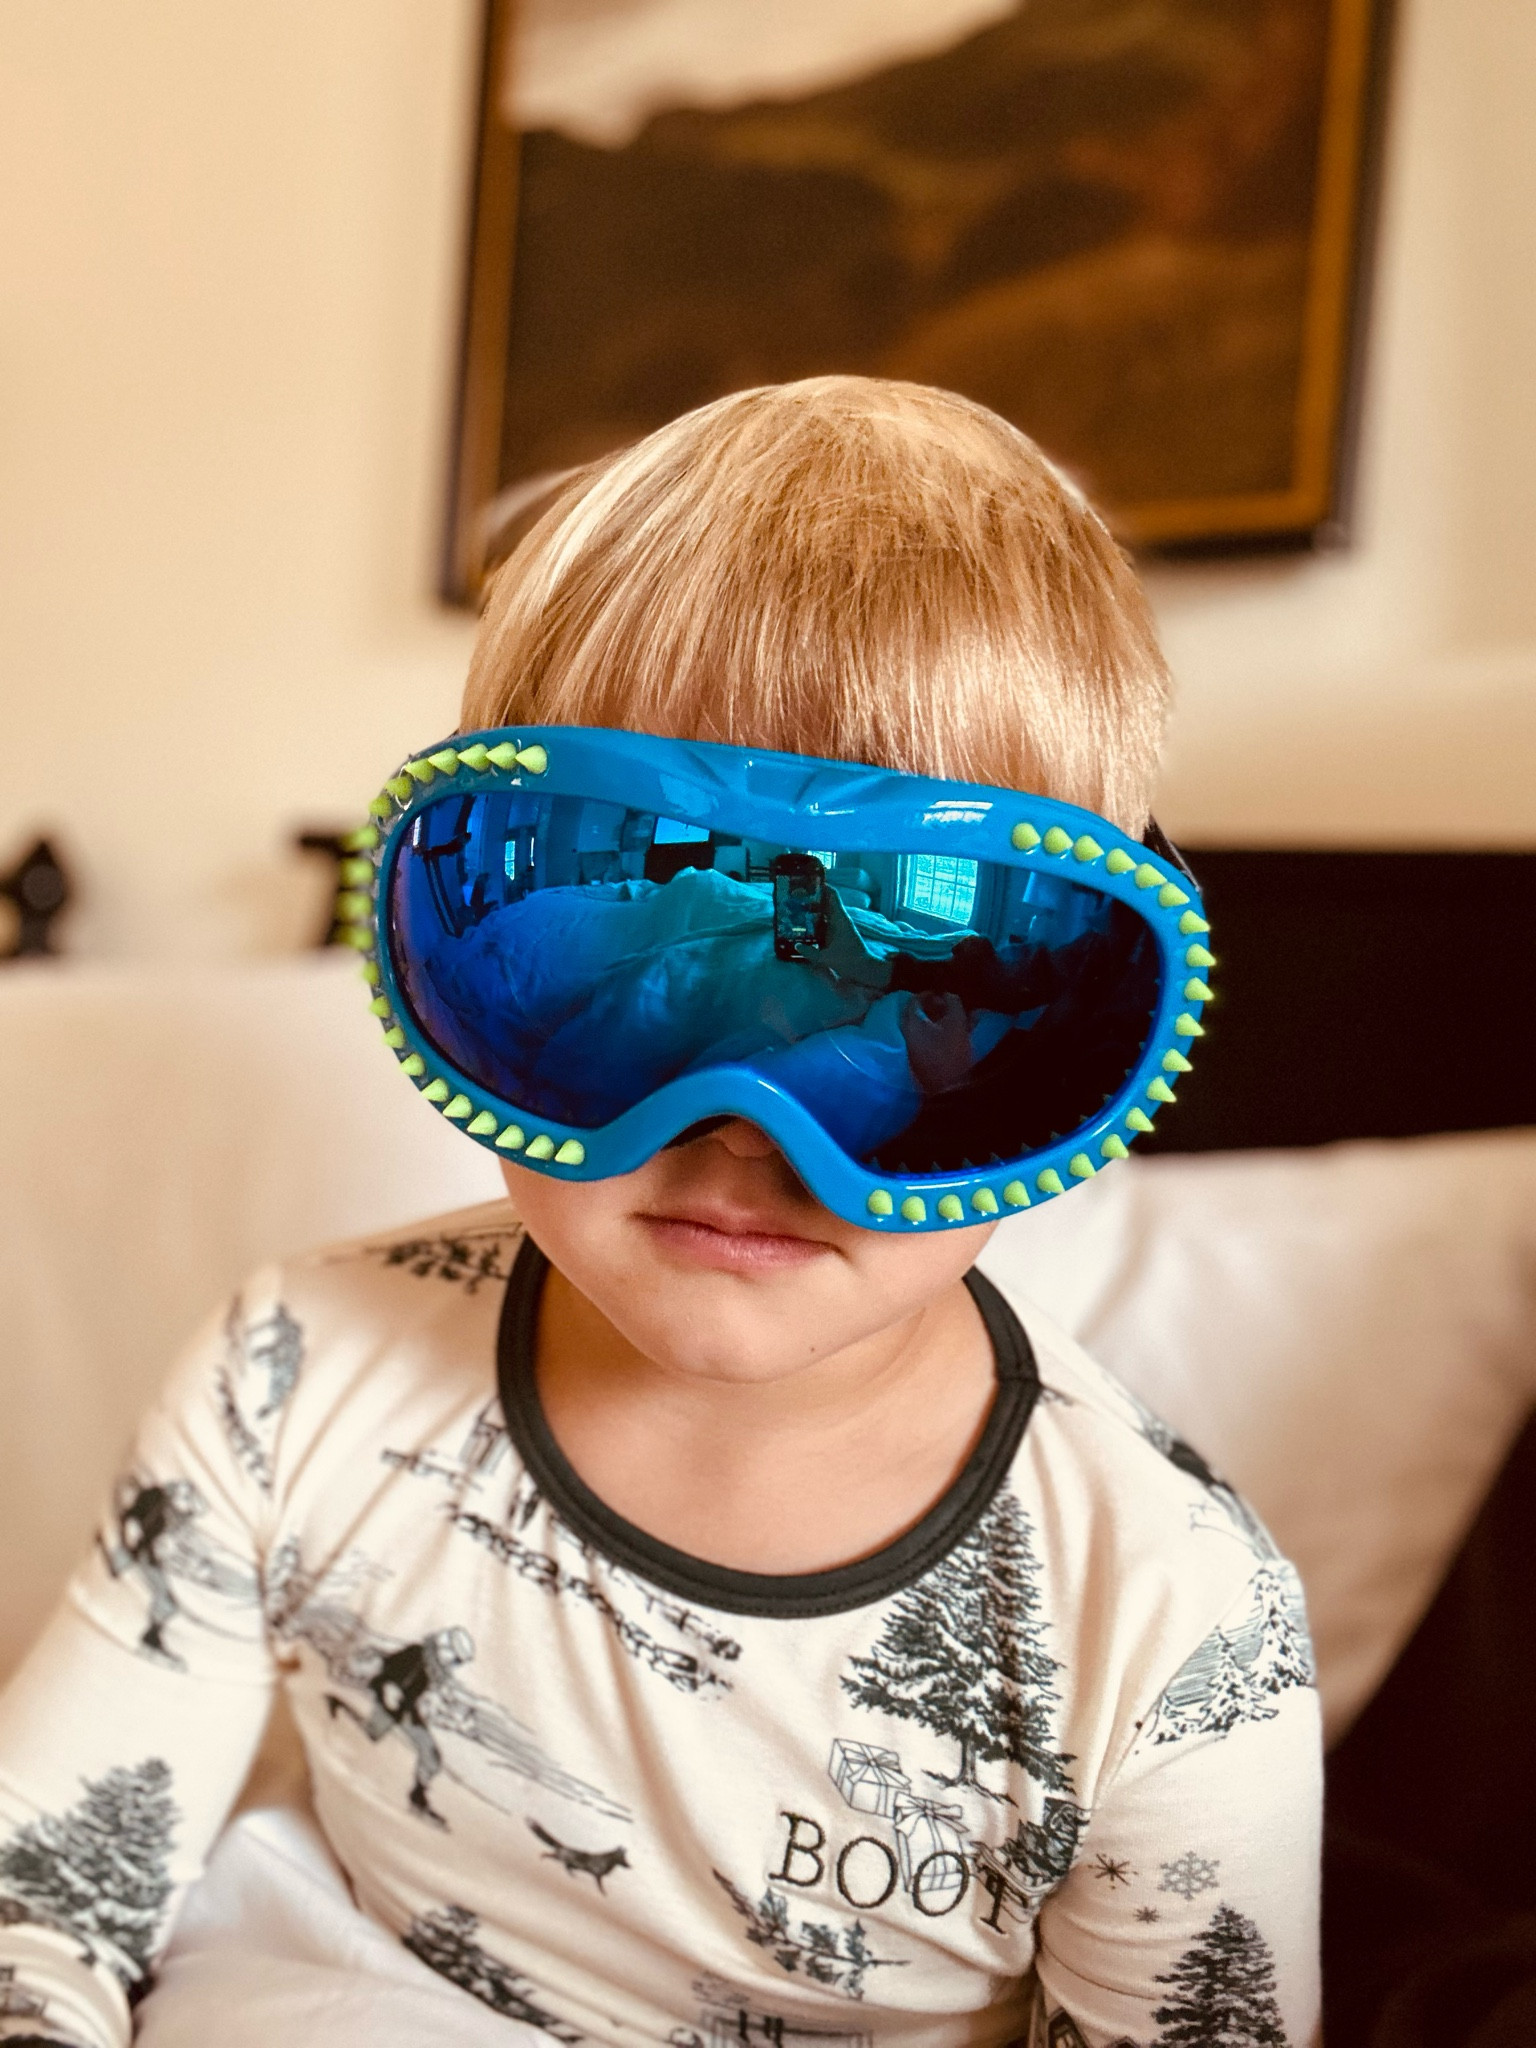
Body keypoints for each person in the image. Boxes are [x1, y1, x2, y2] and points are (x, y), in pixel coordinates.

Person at [0, 378, 1320, 2048]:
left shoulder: (1174, 1626)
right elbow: (40, 1899)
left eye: (866, 1028)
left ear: (1085, 1041)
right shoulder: (285, 1382)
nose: (741, 1133)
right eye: (647, 967)